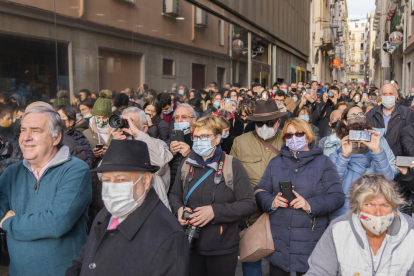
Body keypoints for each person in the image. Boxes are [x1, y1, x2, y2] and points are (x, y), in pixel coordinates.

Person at [65, 140, 189, 276]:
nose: (111, 187)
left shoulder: (168, 236)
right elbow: (86, 259)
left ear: (146, 180)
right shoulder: (105, 215)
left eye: (120, 180)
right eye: (106, 180)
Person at [0, 106, 91, 276]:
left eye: (35, 131)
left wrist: (9, 223)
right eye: (23, 130)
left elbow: (57, 223)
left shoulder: (76, 170)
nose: (26, 137)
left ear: (56, 138)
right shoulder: (12, 173)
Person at [254, 117, 344, 276]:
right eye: (289, 135)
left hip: (311, 244)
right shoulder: (276, 163)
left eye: (299, 133)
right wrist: (272, 202)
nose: (293, 138)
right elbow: (260, 191)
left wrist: (309, 205)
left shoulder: (324, 163)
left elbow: (337, 197)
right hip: (279, 244)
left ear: (308, 136)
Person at [169, 116, 256, 276]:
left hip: (222, 248)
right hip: (190, 244)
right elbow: (174, 194)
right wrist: (179, 209)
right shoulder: (187, 163)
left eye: (204, 136)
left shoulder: (232, 165)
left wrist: (214, 212)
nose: (198, 141)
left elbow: (249, 204)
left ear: (217, 138)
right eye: (195, 136)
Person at [305, 174, 414, 276]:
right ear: (357, 207)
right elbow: (319, 271)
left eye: (384, 205)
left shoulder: (410, 232)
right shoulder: (338, 229)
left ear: (393, 206)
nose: (378, 213)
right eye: (369, 204)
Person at [230, 99, 287, 276]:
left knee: (280, 262)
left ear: (278, 122)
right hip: (252, 213)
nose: (264, 127)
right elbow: (232, 177)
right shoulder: (240, 142)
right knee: (252, 259)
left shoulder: (288, 140)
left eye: (269, 123)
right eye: (260, 123)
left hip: (282, 210)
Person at [328, 105, 398, 220]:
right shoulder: (337, 148)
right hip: (344, 209)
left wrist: (377, 151)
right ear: (345, 121)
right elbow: (332, 183)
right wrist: (344, 156)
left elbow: (387, 179)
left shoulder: (377, 143)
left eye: (361, 114)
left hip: (373, 207)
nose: (358, 118)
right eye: (353, 115)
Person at [112, 107, 173, 210]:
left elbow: (160, 163)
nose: (129, 126)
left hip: (153, 209)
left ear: (144, 129)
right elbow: (102, 175)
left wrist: (138, 135)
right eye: (126, 122)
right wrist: (115, 147)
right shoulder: (118, 144)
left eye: (132, 123)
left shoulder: (158, 144)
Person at [366, 84, 414, 157]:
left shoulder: (407, 113)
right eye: (384, 94)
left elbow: (409, 137)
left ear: (396, 95)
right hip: (377, 157)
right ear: (380, 96)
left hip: (398, 159)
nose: (388, 96)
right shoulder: (371, 113)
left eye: (390, 94)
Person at [168, 103, 196, 190]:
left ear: (193, 120)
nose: (179, 120)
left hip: (192, 187)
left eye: (184, 117)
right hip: (172, 188)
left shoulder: (199, 141)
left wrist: (190, 154)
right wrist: (170, 153)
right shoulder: (169, 141)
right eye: (177, 117)